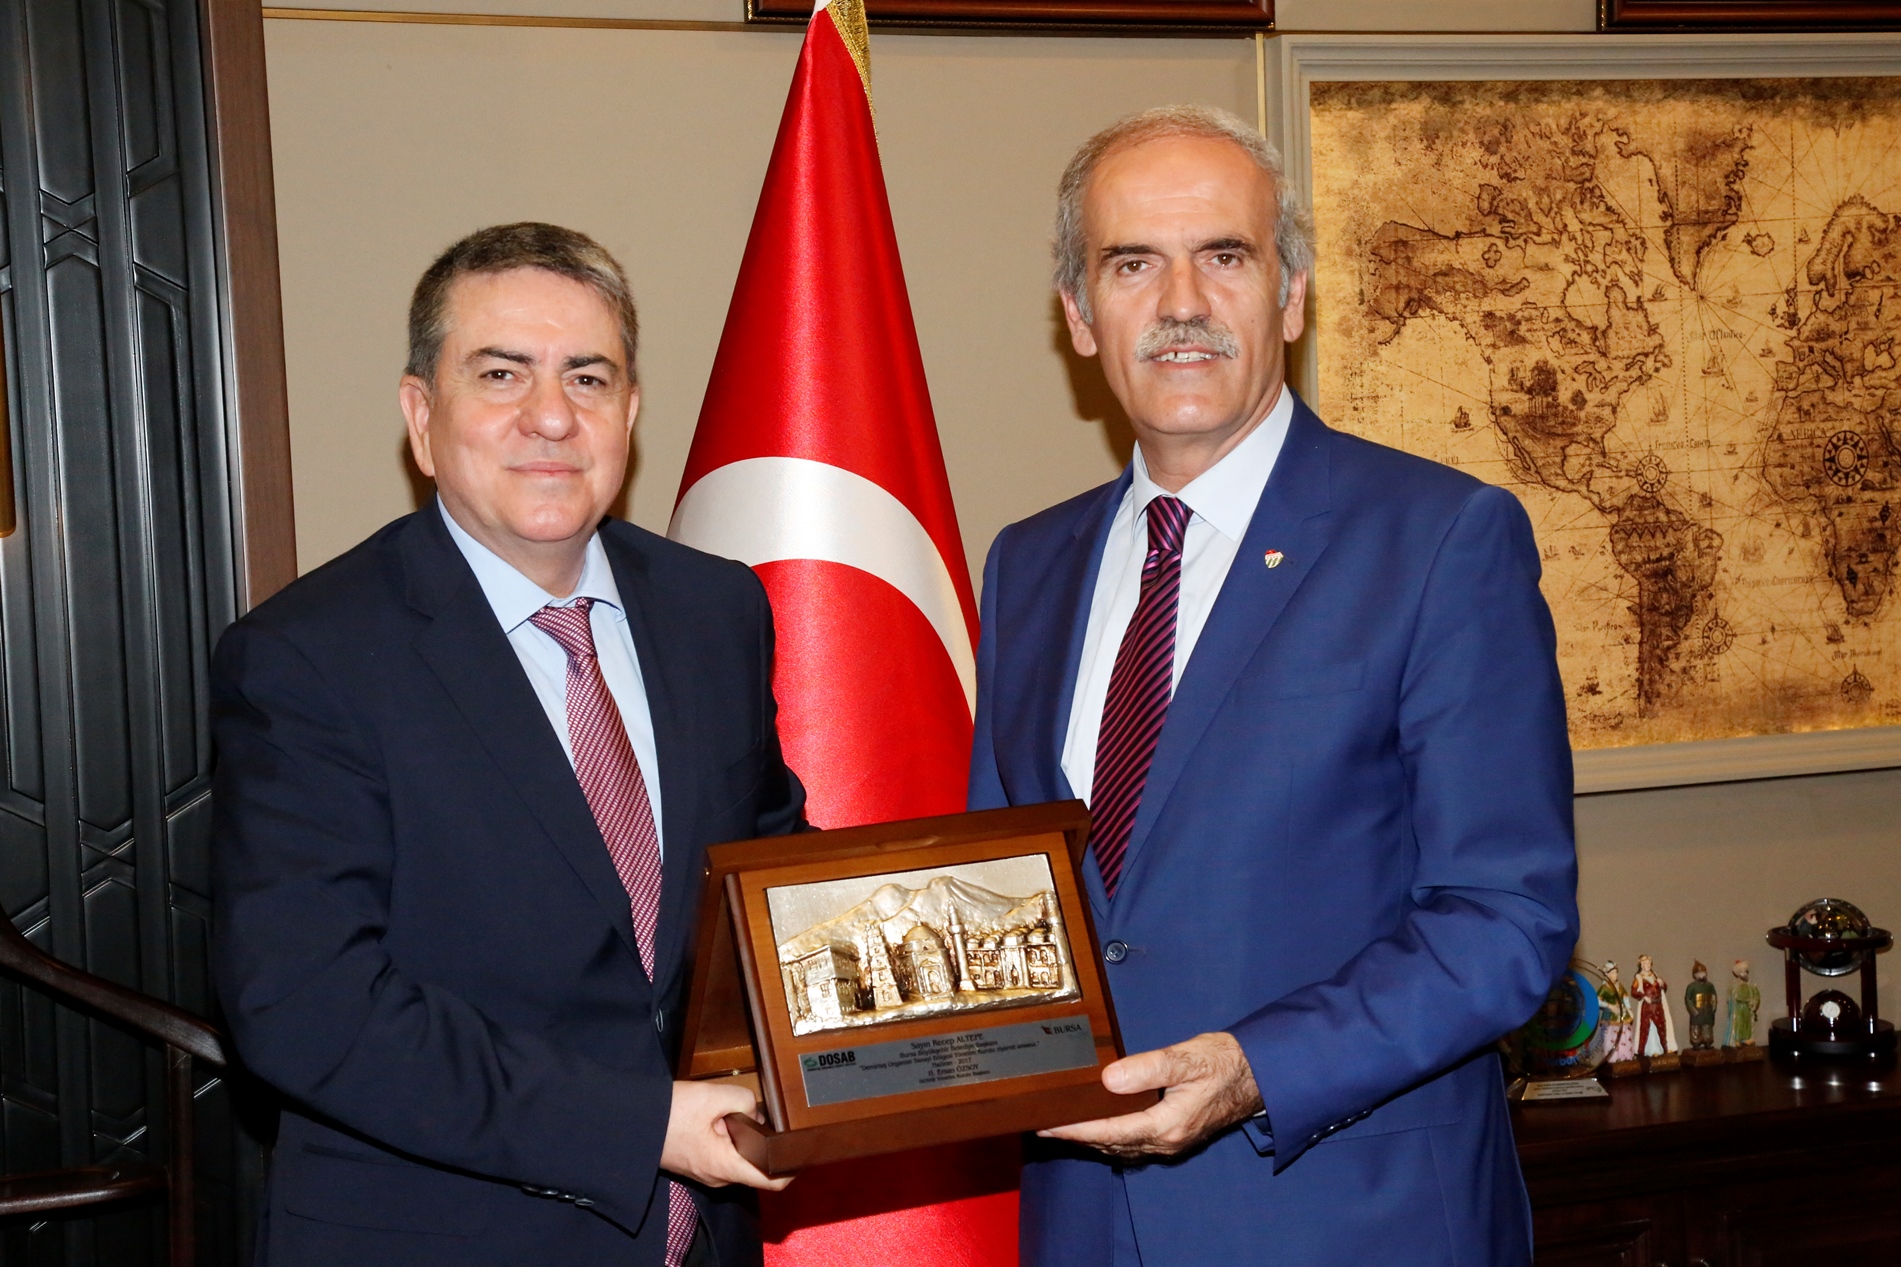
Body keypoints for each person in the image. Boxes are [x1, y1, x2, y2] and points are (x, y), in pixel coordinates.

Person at [967, 106, 1579, 1266]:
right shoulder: (1025, 565)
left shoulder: (1439, 539)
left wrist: (1256, 1068)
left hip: (1349, 1220)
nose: (1181, 302)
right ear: (1078, 316)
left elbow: (1506, 920)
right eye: (1131, 263)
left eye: (1224, 256)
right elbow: (1005, 900)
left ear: (1290, 296)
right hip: (1084, 1224)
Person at [213, 223, 801, 1267]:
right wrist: (637, 1123)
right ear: (421, 416)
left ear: (629, 412)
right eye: (501, 374)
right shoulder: (308, 657)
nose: (551, 416)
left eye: (588, 377)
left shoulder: (716, 609)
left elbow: (769, 873)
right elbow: (306, 1004)